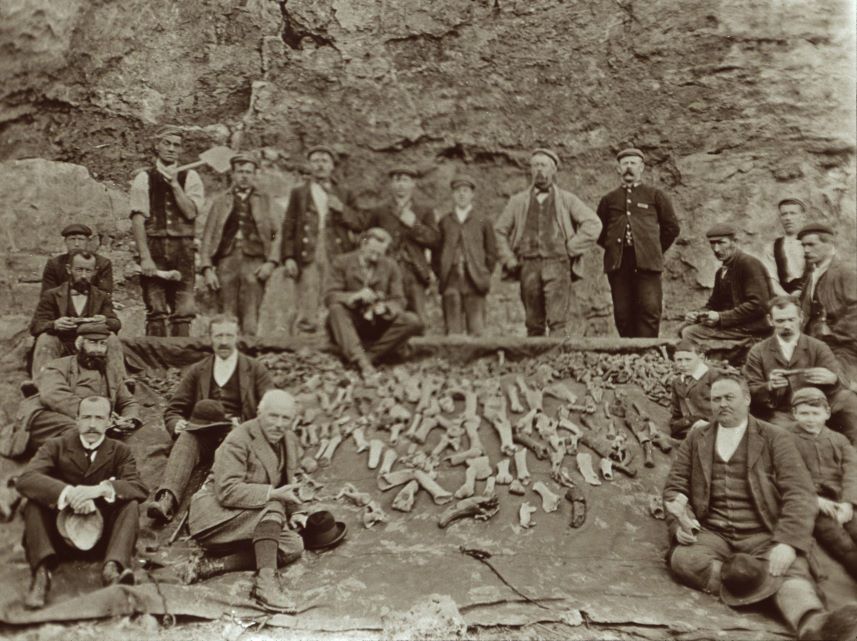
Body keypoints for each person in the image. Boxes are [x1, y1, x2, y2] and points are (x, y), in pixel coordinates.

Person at [663, 373, 857, 640]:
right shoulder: (697, 438)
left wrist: (788, 542)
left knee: (790, 568)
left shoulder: (775, 437)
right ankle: (761, 587)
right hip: (713, 532)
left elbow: (799, 494)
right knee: (684, 559)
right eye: (715, 399)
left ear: (747, 398)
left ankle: (813, 625)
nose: (722, 405)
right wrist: (678, 522)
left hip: (763, 531)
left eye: (729, 397)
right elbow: (674, 487)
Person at [16, 396, 148, 609]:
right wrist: (69, 493)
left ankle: (112, 568)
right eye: (86, 417)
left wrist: (98, 490)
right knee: (32, 502)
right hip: (60, 538)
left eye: (99, 418)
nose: (92, 425)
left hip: (103, 540)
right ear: (76, 420)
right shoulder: (55, 446)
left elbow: (139, 488)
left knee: (130, 504)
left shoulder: (120, 450)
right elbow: (26, 479)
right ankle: (41, 573)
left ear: (108, 422)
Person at [187, 390, 308, 612]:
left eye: (286, 418)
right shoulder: (239, 439)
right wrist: (273, 494)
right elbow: (227, 491)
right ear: (259, 413)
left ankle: (214, 565)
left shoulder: (288, 439)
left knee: (293, 545)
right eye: (274, 416)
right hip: (214, 514)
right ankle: (265, 586)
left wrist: (298, 510)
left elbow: (292, 477)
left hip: (250, 516)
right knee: (273, 504)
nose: (280, 424)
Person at [147, 315, 273, 524]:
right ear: (210, 338)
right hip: (204, 431)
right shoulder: (198, 370)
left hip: (239, 434)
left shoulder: (255, 369)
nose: (223, 341)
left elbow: (270, 407)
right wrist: (175, 423)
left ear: (237, 337)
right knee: (187, 437)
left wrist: (247, 428)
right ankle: (166, 500)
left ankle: (206, 509)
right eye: (218, 336)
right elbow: (174, 409)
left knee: (230, 458)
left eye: (228, 335)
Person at [494, 148, 601, 337]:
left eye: (543, 165)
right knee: (533, 322)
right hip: (528, 265)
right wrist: (509, 259)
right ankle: (535, 364)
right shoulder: (518, 201)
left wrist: (572, 247)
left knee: (557, 321)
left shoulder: (566, 200)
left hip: (558, 265)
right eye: (535, 166)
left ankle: (555, 364)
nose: (539, 170)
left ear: (553, 170)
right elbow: (499, 231)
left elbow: (593, 223)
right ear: (530, 170)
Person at [1, 322, 139, 459]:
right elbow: (53, 395)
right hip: (49, 416)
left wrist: (128, 420)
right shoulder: (57, 366)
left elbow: (128, 402)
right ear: (79, 344)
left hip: (91, 419)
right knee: (79, 430)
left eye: (102, 344)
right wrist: (95, 412)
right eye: (92, 343)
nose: (98, 349)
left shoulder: (111, 372)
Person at [743, 295, 857, 444]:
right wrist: (769, 387)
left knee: (848, 400)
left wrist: (832, 379)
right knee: (786, 437)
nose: (787, 326)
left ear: (801, 318)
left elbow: (840, 383)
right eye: (780, 321)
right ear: (770, 320)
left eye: (791, 319)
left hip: (818, 404)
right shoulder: (758, 351)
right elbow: (749, 389)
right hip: (783, 411)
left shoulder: (818, 347)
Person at [596, 148, 680, 338]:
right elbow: (599, 232)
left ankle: (647, 355)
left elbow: (671, 227)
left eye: (633, 163)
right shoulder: (608, 200)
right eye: (625, 164)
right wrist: (613, 248)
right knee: (623, 312)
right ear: (618, 169)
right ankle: (629, 355)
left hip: (647, 263)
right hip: (619, 263)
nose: (629, 167)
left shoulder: (655, 195)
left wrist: (653, 249)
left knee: (649, 309)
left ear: (641, 168)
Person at [129, 125, 204, 337]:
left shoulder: (192, 177)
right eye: (167, 143)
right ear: (157, 146)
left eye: (176, 145)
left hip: (184, 251)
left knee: (184, 310)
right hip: (155, 248)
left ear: (181, 150)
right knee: (156, 309)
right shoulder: (143, 178)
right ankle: (155, 367)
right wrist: (145, 258)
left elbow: (190, 213)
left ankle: (181, 366)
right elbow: (137, 219)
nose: (171, 149)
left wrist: (174, 184)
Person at [279, 145, 364, 334]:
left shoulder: (344, 193)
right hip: (308, 248)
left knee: (334, 290)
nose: (320, 165)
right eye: (316, 161)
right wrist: (288, 257)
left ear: (332, 165)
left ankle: (333, 333)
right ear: (309, 165)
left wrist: (342, 209)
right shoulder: (299, 193)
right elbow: (288, 227)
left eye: (325, 161)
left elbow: (360, 222)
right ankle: (305, 334)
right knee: (308, 288)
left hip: (337, 250)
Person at [324, 227, 423, 378]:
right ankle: (362, 361)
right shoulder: (341, 262)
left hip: (378, 322)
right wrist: (354, 296)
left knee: (412, 320)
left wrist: (386, 308)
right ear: (363, 244)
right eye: (372, 252)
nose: (376, 258)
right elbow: (330, 296)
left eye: (380, 253)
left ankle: (367, 358)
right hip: (351, 323)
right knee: (335, 309)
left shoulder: (390, 266)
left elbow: (400, 300)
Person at [200, 154, 279, 336]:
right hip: (226, 262)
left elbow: (278, 233)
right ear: (233, 174)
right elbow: (208, 236)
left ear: (255, 175)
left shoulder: (266, 200)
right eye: (240, 172)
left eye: (248, 172)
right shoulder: (221, 201)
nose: (244, 176)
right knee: (226, 314)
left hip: (255, 262)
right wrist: (207, 269)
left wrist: (271, 262)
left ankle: (249, 357)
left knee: (251, 313)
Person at [788, 387, 857, 580]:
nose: (810, 419)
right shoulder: (786, 439)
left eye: (815, 413)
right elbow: (784, 476)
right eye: (804, 413)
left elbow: (852, 472)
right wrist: (814, 500)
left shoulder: (839, 440)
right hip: (811, 504)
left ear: (827, 413)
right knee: (841, 543)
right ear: (794, 414)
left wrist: (848, 503)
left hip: (841, 501)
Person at [360, 166, 439, 323]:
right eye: (397, 180)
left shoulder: (424, 209)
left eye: (405, 180)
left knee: (418, 318)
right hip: (386, 271)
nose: (401, 185)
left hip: (414, 271)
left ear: (413, 184)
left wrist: (414, 224)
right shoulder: (379, 210)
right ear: (391, 184)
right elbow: (365, 238)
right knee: (387, 315)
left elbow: (435, 240)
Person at [29, 249, 124, 377]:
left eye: (88, 271)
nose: (84, 275)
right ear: (69, 269)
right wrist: (54, 324)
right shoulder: (52, 295)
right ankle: (41, 384)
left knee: (111, 338)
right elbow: (36, 326)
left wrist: (104, 321)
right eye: (79, 270)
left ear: (95, 272)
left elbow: (116, 323)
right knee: (45, 339)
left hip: (91, 343)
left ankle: (120, 384)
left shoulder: (101, 296)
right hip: (62, 342)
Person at [681, 224, 772, 350]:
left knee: (690, 333)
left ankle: (701, 366)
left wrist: (720, 317)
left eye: (721, 243)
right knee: (683, 326)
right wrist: (697, 314)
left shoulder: (749, 264)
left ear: (735, 242)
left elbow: (759, 305)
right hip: (734, 325)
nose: (716, 249)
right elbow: (714, 304)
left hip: (750, 327)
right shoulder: (721, 271)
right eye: (712, 243)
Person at [434, 174, 497, 336]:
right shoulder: (445, 221)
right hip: (451, 279)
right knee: (452, 327)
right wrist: (442, 272)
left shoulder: (483, 220)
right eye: (457, 191)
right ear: (452, 195)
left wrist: (482, 272)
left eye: (465, 191)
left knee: (477, 328)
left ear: (472, 195)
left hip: (474, 279)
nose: (461, 194)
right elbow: (436, 252)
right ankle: (453, 360)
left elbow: (491, 252)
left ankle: (479, 361)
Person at [799, 222, 857, 388]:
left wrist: (834, 333)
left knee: (836, 385)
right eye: (803, 245)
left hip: (843, 348)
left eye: (811, 245)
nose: (806, 250)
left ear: (829, 244)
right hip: (812, 343)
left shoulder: (846, 271)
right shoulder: (813, 273)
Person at [41, 223, 113, 294]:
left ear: (87, 241)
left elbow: (104, 294)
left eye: (81, 239)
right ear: (65, 241)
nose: (76, 244)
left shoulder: (102, 263)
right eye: (72, 239)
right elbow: (48, 294)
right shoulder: (54, 264)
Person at [669, 339, 718, 439]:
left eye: (688, 359)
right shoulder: (677, 382)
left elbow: (732, 409)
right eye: (679, 360)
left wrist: (710, 423)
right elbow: (676, 413)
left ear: (701, 358)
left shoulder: (714, 377)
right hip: (690, 428)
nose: (683, 364)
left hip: (716, 427)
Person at [761, 197, 807, 296]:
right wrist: (787, 299)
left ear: (803, 217)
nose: (788, 218)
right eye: (784, 214)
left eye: (792, 213)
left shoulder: (814, 243)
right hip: (784, 298)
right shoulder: (772, 247)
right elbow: (771, 279)